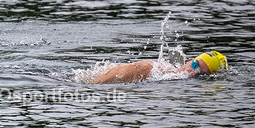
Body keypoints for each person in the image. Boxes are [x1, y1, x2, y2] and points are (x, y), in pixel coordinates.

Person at [88, 50, 227, 84]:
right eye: (195, 65)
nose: (193, 71)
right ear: (190, 60)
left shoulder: (170, 73)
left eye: (200, 73)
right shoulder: (150, 68)